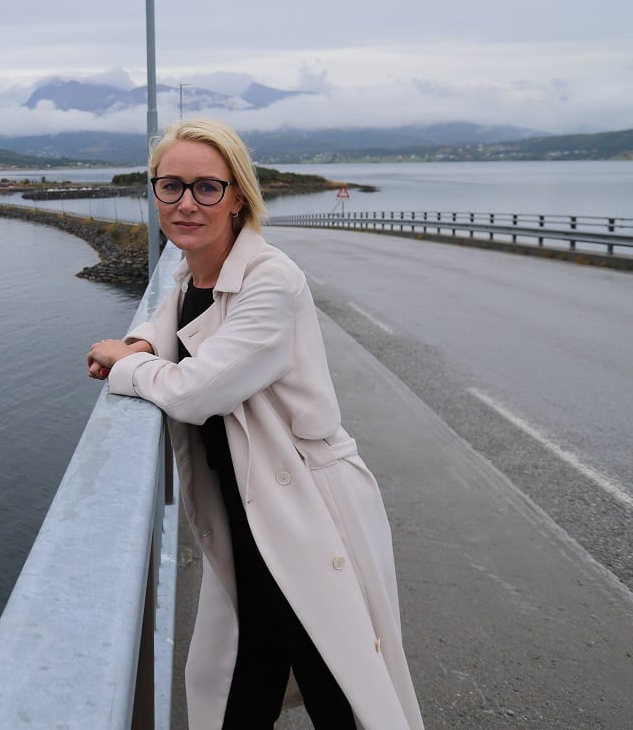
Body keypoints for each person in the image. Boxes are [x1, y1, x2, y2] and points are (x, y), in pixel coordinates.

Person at [87, 118, 423, 730]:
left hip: (308, 508)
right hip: (249, 511)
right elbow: (172, 323)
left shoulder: (271, 278)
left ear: (238, 196)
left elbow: (197, 391)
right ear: (155, 192)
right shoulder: (193, 271)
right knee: (256, 668)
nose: (186, 203)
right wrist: (140, 343)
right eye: (171, 186)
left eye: (206, 187)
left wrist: (126, 366)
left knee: (335, 686)